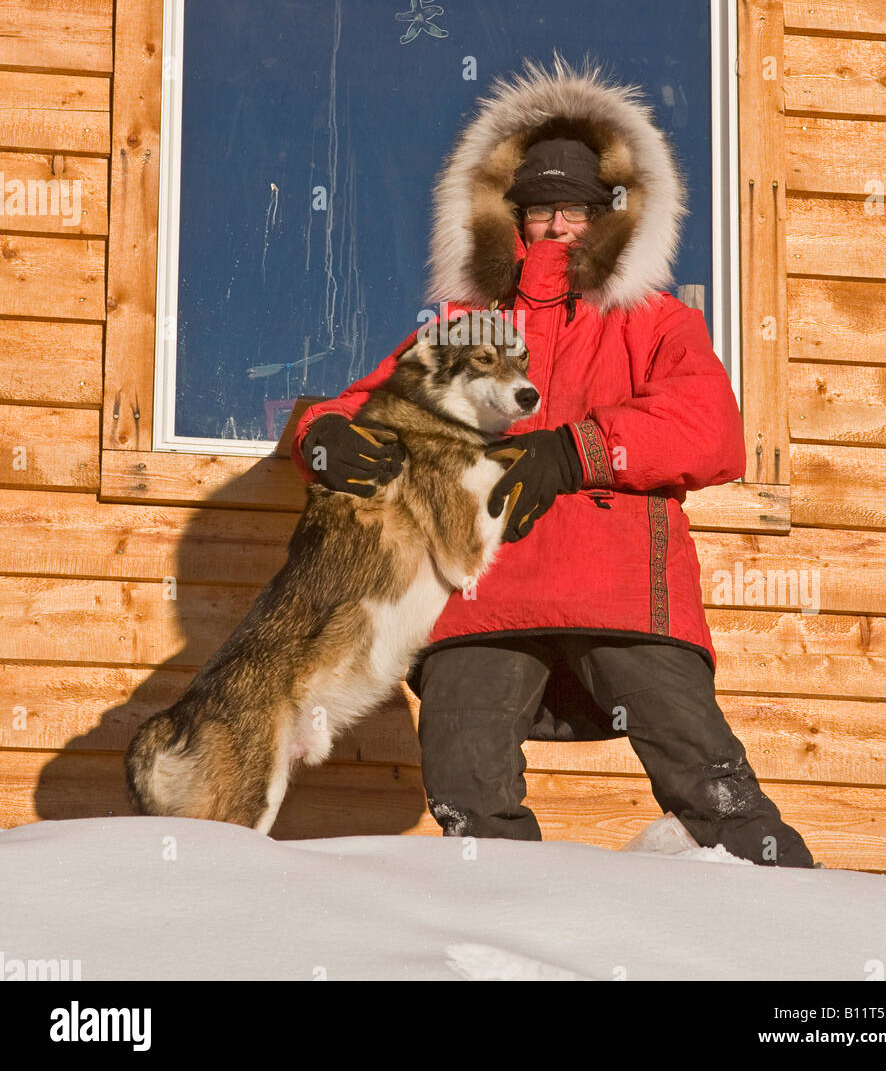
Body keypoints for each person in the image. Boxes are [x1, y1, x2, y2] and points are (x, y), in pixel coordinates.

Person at [290, 54, 817, 868]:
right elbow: (370, 402)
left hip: (619, 585)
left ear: (611, 216)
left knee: (707, 779)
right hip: (479, 588)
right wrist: (323, 434)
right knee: (465, 784)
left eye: (575, 208)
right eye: (538, 210)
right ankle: (509, 935)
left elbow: (711, 428)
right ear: (511, 220)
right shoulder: (469, 326)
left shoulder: (654, 319)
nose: (556, 226)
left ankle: (797, 927)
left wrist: (578, 451)